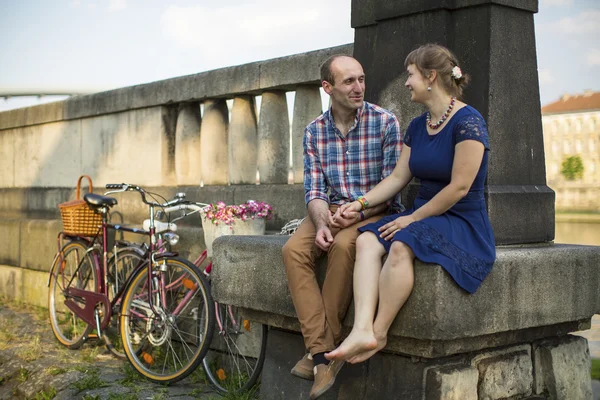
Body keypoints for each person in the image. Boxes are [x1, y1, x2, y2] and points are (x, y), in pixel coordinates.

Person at [325, 44, 496, 365]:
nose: (406, 82)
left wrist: (411, 219)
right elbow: (396, 178)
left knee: (401, 243)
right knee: (366, 239)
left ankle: (378, 331)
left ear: (430, 77)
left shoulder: (469, 123)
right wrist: (359, 204)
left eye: (411, 74)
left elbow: (460, 187)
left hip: (460, 220)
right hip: (424, 214)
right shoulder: (419, 126)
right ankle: (360, 327)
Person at [282, 54, 402, 399]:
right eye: (349, 81)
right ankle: (324, 352)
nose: (358, 87)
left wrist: (359, 211)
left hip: (372, 210)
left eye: (361, 79)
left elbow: (392, 188)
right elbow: (315, 190)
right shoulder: (314, 132)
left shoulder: (385, 123)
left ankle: (319, 355)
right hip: (329, 209)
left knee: (344, 245)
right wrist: (321, 222)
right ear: (327, 87)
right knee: (293, 251)